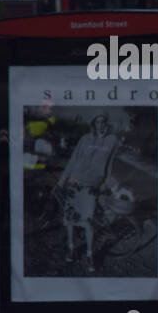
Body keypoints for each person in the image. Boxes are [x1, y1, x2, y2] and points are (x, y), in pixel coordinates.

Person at [57, 113, 121, 272]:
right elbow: (73, 159)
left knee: (89, 223)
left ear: (107, 123)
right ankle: (71, 248)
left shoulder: (112, 141)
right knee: (70, 219)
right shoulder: (85, 138)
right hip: (75, 182)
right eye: (97, 122)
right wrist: (61, 180)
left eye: (103, 121)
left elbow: (111, 165)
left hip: (92, 187)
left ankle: (89, 255)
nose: (100, 125)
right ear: (93, 124)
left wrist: (105, 185)